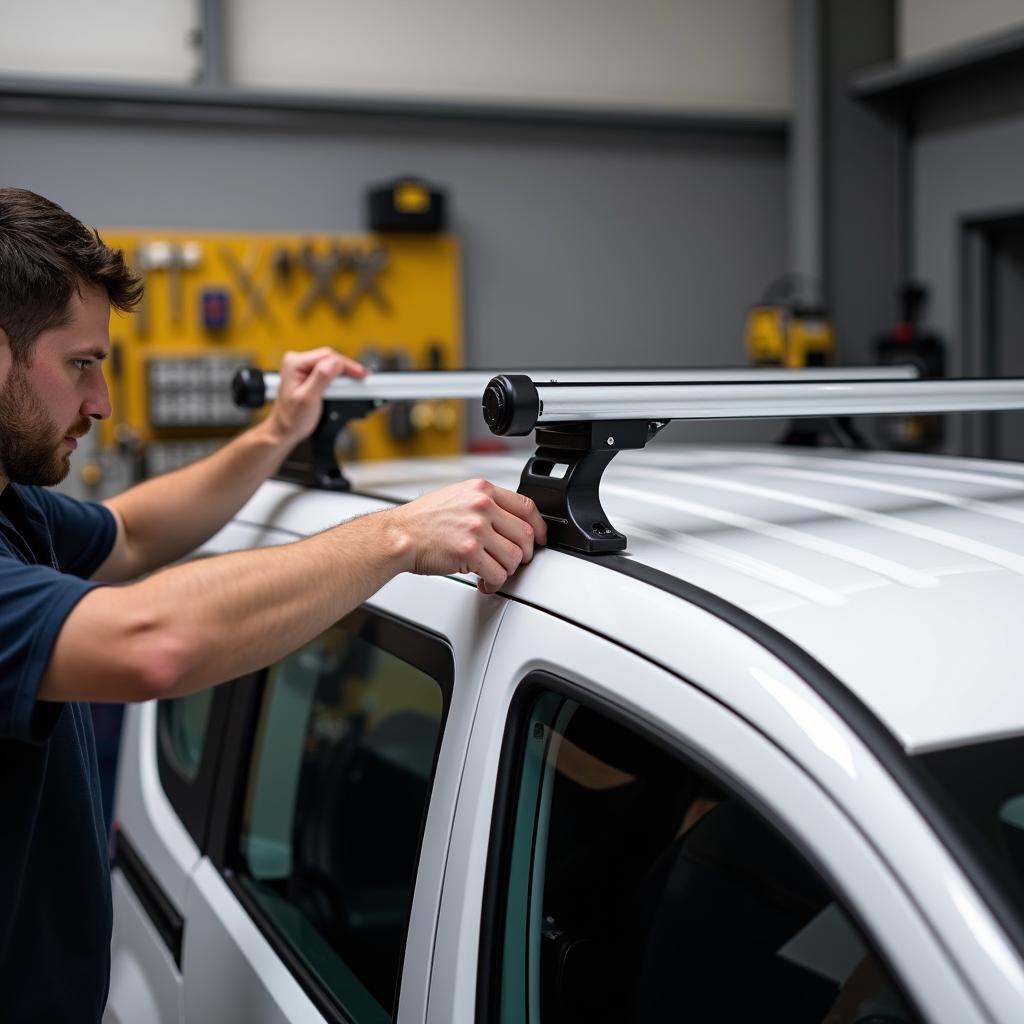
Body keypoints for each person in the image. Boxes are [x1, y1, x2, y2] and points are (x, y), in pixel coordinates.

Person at [0, 186, 547, 1021]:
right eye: (82, 363)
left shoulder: (14, 509)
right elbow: (151, 642)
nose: (103, 403)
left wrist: (277, 433)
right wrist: (394, 537)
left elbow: (133, 535)